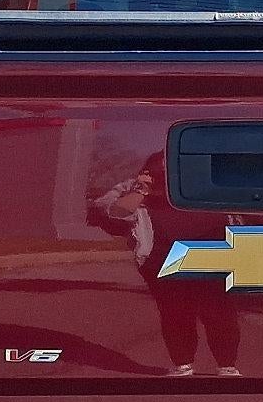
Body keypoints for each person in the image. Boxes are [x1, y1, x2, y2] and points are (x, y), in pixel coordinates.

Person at [94, 154, 241, 377]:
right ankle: (183, 365)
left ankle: (227, 365)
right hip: (163, 260)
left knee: (220, 314)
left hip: (214, 257)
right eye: (164, 171)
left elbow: (253, 211)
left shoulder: (211, 186)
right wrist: (141, 190)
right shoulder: (136, 187)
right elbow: (112, 213)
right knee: (176, 314)